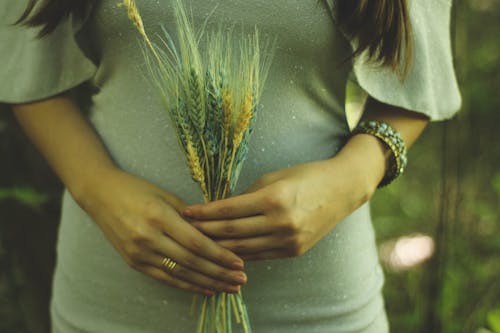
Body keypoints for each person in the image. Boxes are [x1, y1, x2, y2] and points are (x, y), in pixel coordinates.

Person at [0, 0, 461, 332]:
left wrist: (352, 179)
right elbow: (24, 60)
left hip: (318, 307)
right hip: (112, 302)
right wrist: (96, 187)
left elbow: (417, 76)